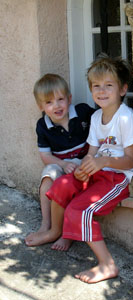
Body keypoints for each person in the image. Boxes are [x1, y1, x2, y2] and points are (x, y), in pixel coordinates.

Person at [45, 54, 133, 283]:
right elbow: (91, 152)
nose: (102, 91)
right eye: (96, 86)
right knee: (62, 185)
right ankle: (60, 232)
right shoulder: (96, 117)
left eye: (109, 85)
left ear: (122, 89)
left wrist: (103, 162)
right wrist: (84, 168)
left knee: (80, 210)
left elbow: (130, 161)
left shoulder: (125, 118)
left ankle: (107, 264)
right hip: (98, 171)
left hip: (116, 178)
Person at [25, 73, 95, 250]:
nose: (56, 105)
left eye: (60, 99)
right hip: (60, 163)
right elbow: (45, 155)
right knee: (49, 177)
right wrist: (63, 165)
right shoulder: (43, 125)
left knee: (73, 187)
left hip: (85, 162)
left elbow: (103, 124)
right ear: (41, 106)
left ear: (69, 99)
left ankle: (67, 234)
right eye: (49, 102)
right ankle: (46, 224)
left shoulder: (83, 112)